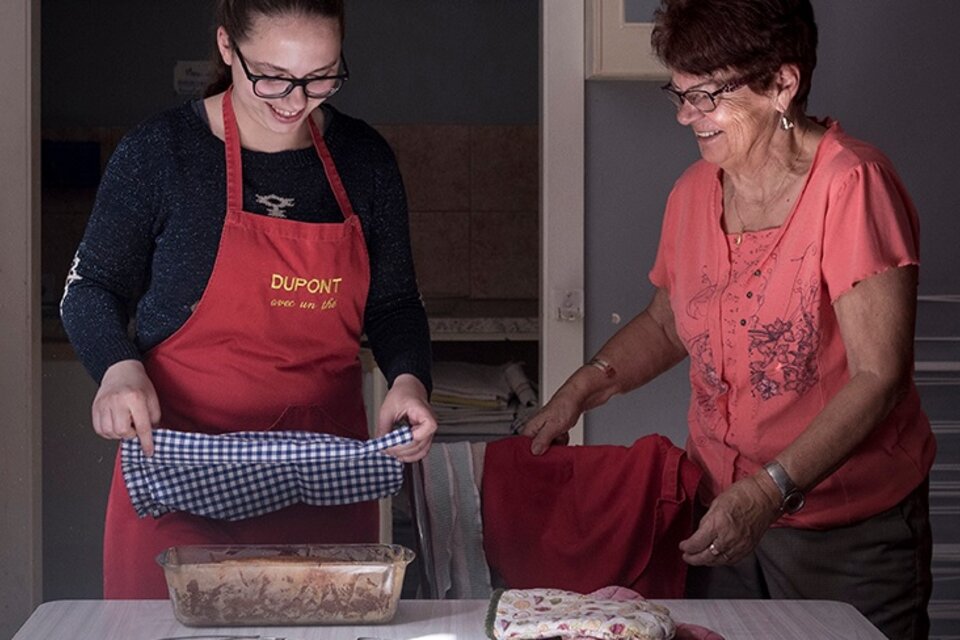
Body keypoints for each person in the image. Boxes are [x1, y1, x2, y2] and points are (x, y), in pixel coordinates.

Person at [520, 1, 936, 637]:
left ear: (782, 85)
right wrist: (580, 390)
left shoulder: (853, 186)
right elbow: (666, 324)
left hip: (846, 536)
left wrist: (769, 492)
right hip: (721, 516)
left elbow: (879, 376)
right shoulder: (693, 190)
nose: (687, 115)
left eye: (707, 95)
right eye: (680, 93)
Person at [60, 0, 437, 599]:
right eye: (273, 77)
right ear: (227, 48)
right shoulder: (162, 153)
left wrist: (409, 380)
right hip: (180, 484)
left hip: (325, 486)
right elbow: (91, 288)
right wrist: (118, 368)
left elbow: (394, 304)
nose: (294, 99)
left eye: (320, 77)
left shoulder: (364, 160)